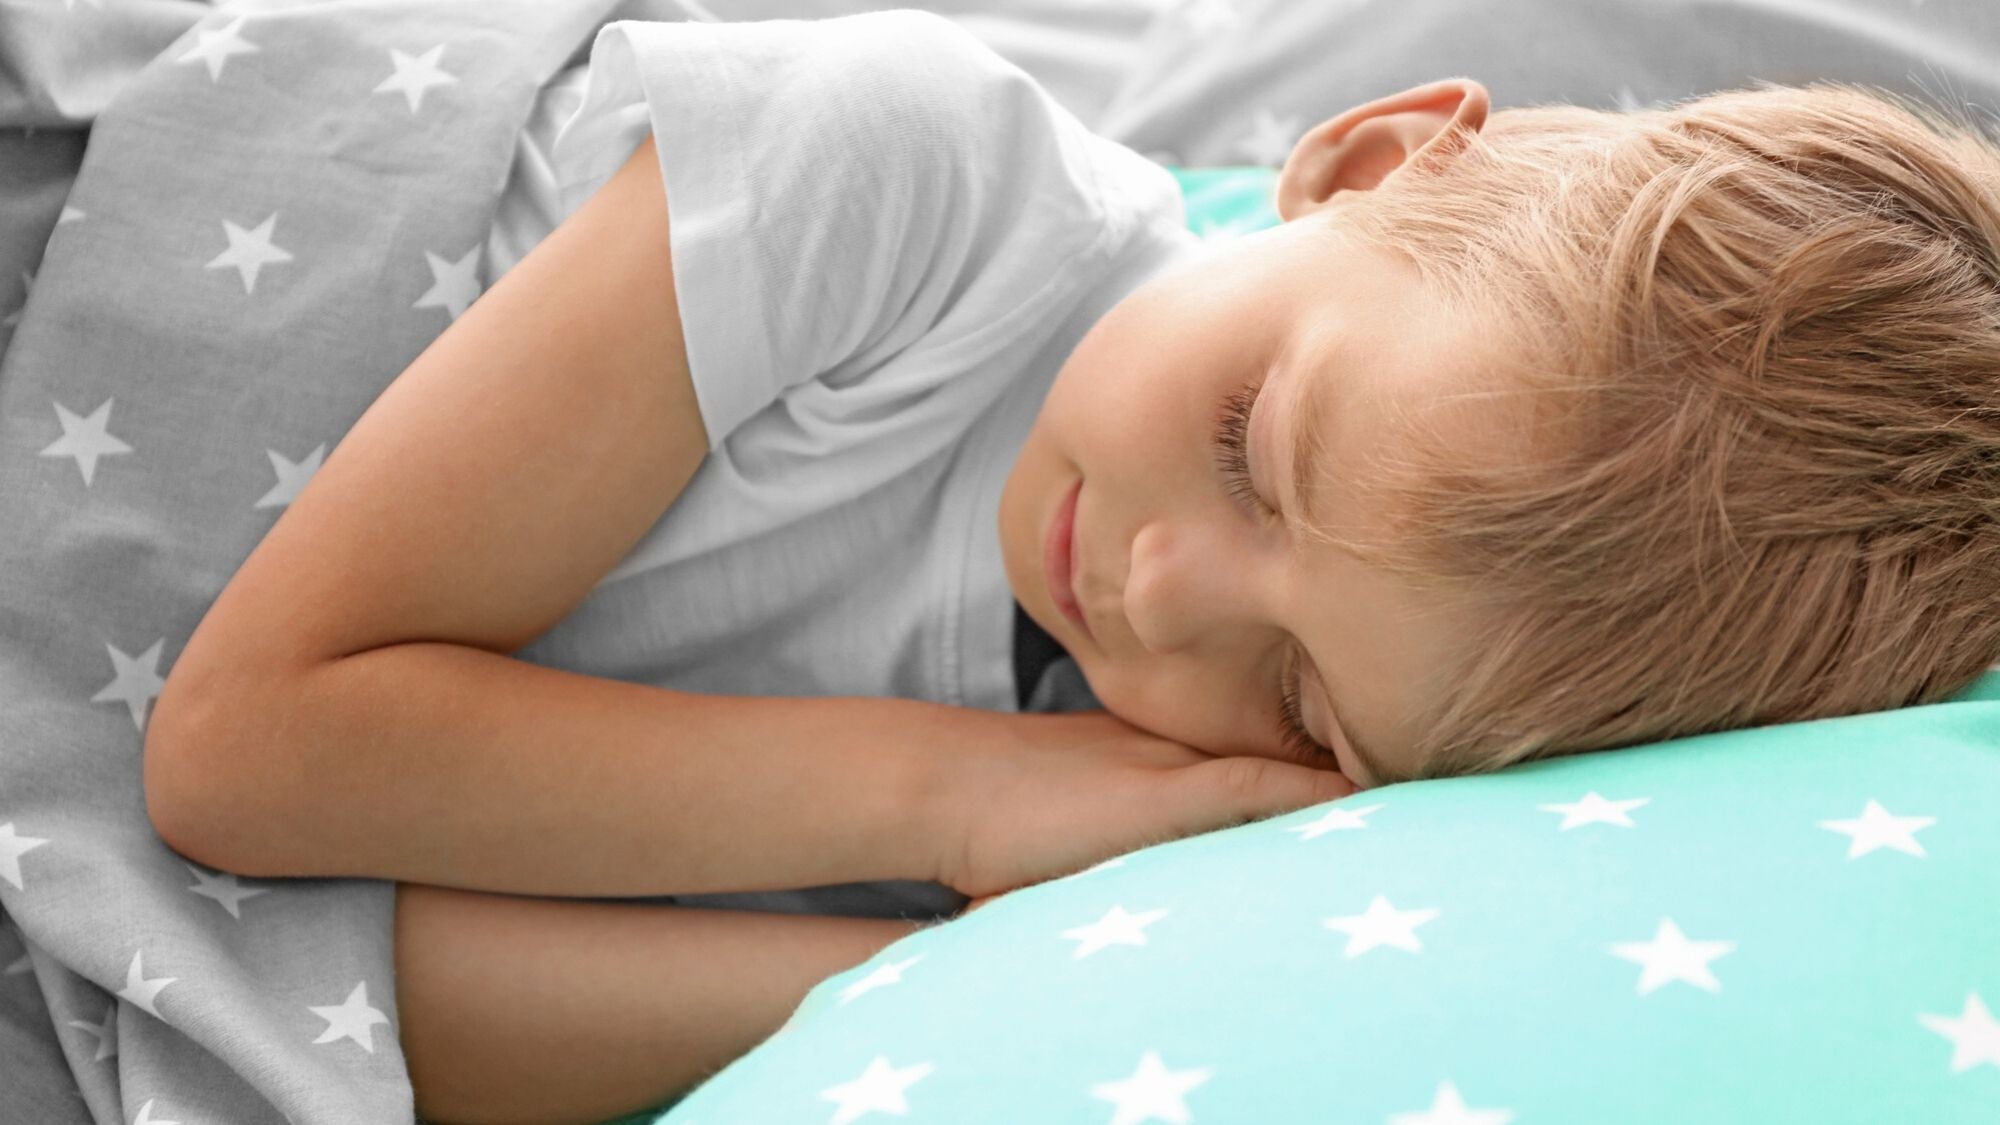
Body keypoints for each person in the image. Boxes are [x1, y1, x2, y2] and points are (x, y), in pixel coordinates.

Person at [143, 10, 2000, 1124]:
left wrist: (953, 945)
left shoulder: (1121, 810)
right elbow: (235, 755)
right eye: (1251, 441)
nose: (1163, 595)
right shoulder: (896, 176)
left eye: (1303, 695)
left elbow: (302, 991)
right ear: (1366, 166)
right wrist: (959, 797)